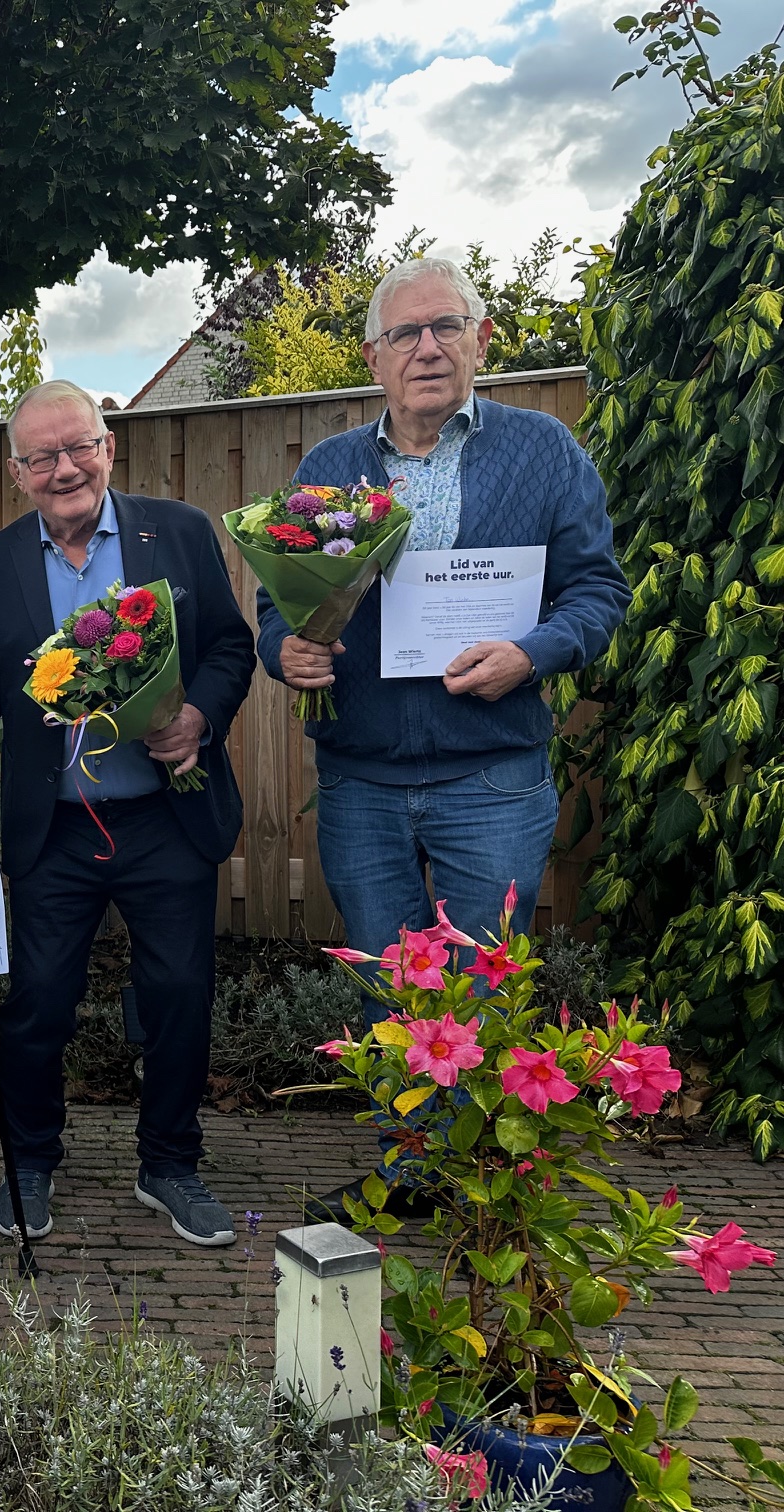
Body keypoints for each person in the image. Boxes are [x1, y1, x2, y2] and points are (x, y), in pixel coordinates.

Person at [262, 258, 629, 1220]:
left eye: (446, 327)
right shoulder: (329, 470)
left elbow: (600, 591)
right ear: (374, 357)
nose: (428, 348)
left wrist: (533, 651)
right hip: (362, 780)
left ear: (481, 338)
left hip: (493, 775)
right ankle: (414, 1168)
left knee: (483, 990)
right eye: (406, 334)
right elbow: (277, 607)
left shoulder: (543, 450)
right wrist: (286, 653)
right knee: (396, 994)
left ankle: (492, 1181)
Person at [0, 379, 254, 1248]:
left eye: (80, 447)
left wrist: (199, 717)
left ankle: (169, 1166)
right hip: (56, 828)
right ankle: (31, 1161)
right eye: (43, 456)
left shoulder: (178, 533)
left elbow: (229, 645)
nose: (65, 468)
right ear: (16, 470)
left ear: (109, 447)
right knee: (38, 1004)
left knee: (181, 994)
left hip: (164, 817)